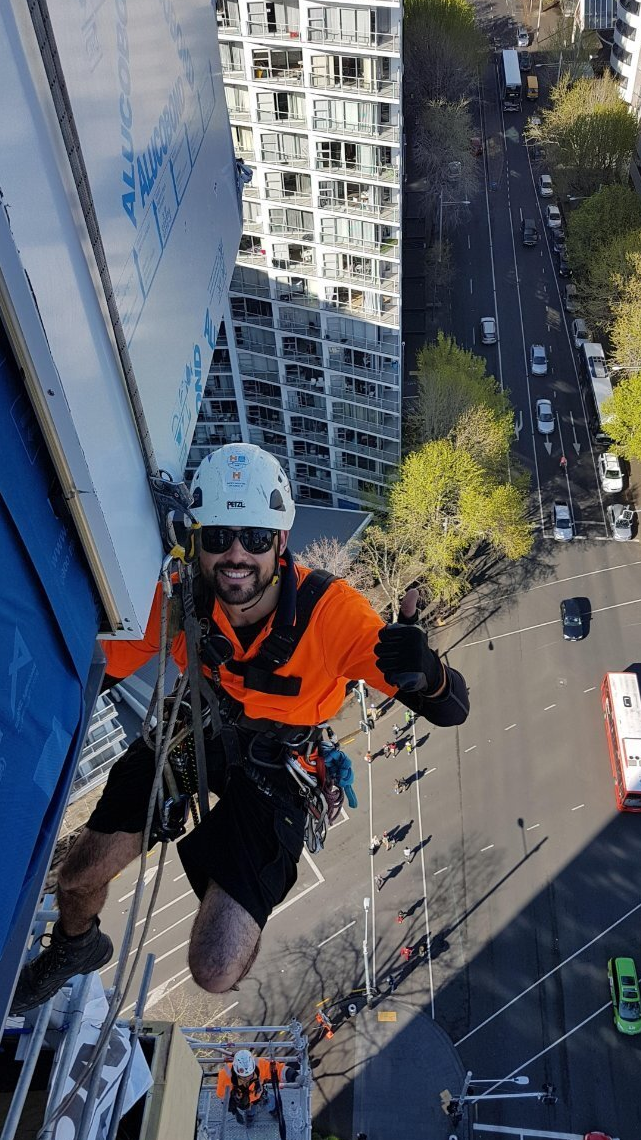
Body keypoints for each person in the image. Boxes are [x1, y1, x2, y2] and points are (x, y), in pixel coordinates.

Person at [11, 443, 469, 1014]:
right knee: (77, 880)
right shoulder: (180, 601)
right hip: (199, 725)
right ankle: (74, 949)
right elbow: (92, 672)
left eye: (254, 538)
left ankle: (236, 877)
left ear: (280, 543)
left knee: (215, 967)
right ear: (197, 543)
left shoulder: (333, 617)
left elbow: (452, 710)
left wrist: (429, 675)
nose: (235, 554)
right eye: (218, 536)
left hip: (279, 763)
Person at [216, 1048, 286, 1123]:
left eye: (250, 1075)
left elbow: (277, 1069)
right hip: (245, 1102)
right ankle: (250, 1118)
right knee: (249, 1111)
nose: (247, 1079)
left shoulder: (260, 1065)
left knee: (270, 1104)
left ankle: (276, 1113)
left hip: (259, 1094)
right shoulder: (225, 1075)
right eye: (243, 1077)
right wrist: (235, 1111)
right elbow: (223, 1097)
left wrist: (291, 1074)